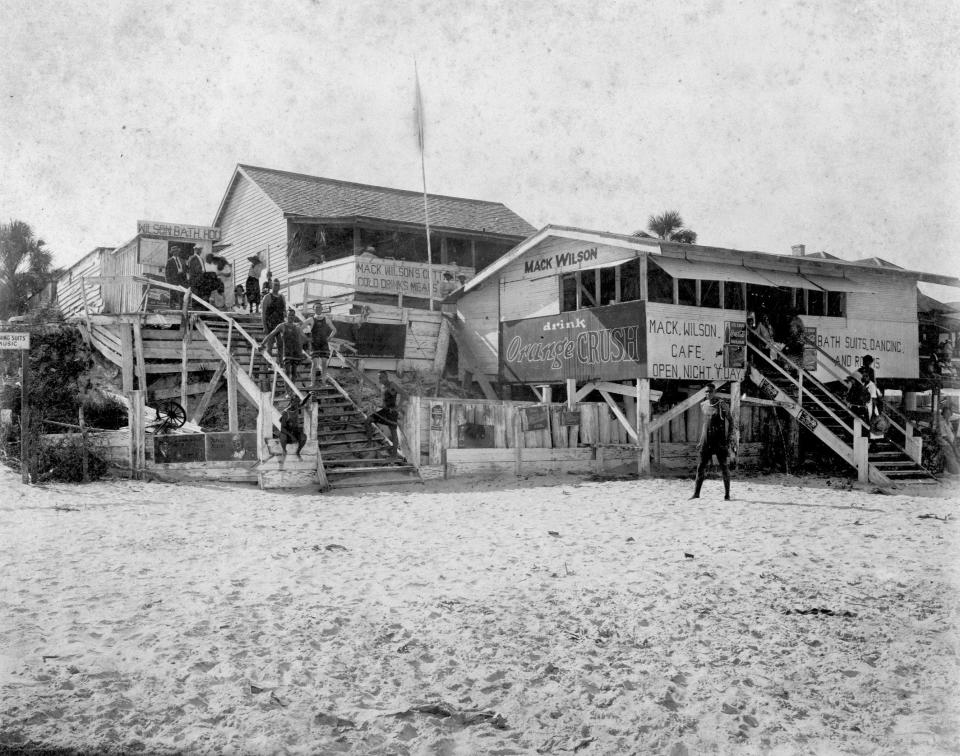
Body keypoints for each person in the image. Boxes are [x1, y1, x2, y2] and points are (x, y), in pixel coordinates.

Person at [691, 384, 734, 501]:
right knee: (701, 467)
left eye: (710, 391)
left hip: (719, 441)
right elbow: (705, 424)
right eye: (706, 392)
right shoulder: (703, 405)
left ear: (714, 392)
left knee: (724, 467)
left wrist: (729, 439)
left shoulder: (721, 404)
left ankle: (727, 495)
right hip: (707, 441)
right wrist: (701, 441)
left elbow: (731, 421)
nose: (708, 394)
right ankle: (696, 494)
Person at [262, 308, 309, 381]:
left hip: (295, 353)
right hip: (286, 353)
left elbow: (304, 339)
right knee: (287, 373)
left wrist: (302, 349)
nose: (291, 317)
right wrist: (262, 344)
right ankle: (288, 391)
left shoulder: (297, 327)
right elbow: (271, 335)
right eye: (289, 315)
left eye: (293, 315)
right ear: (286, 316)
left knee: (294, 374)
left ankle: (291, 391)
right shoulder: (282, 326)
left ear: (294, 316)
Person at [366, 371, 402, 451]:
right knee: (368, 420)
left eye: (381, 377)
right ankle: (370, 443)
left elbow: (404, 395)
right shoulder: (384, 387)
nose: (379, 380)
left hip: (392, 412)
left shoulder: (392, 385)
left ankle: (395, 451)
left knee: (393, 431)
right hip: (385, 411)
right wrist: (376, 404)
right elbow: (385, 404)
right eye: (379, 378)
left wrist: (398, 408)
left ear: (386, 377)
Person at [302, 304, 337, 384]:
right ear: (313, 309)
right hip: (315, 344)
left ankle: (324, 383)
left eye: (319, 308)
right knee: (314, 364)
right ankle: (312, 383)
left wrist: (329, 337)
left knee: (324, 364)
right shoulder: (311, 319)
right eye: (316, 308)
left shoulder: (326, 319)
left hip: (323, 344)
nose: (318, 309)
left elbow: (334, 330)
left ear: (322, 309)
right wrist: (307, 338)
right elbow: (301, 329)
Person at [276, 394, 312, 461]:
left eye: (298, 402)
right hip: (287, 433)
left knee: (304, 437)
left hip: (294, 431)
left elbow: (303, 402)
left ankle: (298, 452)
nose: (297, 404)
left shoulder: (296, 407)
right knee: (283, 436)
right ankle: (284, 451)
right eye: (296, 402)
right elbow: (283, 428)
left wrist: (309, 395)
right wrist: (291, 436)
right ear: (292, 402)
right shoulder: (286, 412)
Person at [261, 280, 286, 358]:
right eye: (275, 285)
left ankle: (280, 364)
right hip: (270, 324)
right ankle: (269, 365)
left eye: (278, 285)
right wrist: (264, 326)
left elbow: (284, 311)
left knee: (281, 344)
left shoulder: (282, 297)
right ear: (271, 286)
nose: (277, 287)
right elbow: (263, 313)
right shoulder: (267, 297)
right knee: (270, 345)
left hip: (280, 324)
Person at [938, 403, 960, 474]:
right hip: (945, 443)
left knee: (957, 455)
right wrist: (952, 444)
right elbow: (944, 436)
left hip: (950, 443)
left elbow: (952, 433)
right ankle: (955, 471)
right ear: (943, 414)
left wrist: (954, 442)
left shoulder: (949, 423)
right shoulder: (942, 423)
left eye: (949, 413)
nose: (947, 415)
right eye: (946, 413)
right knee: (952, 458)